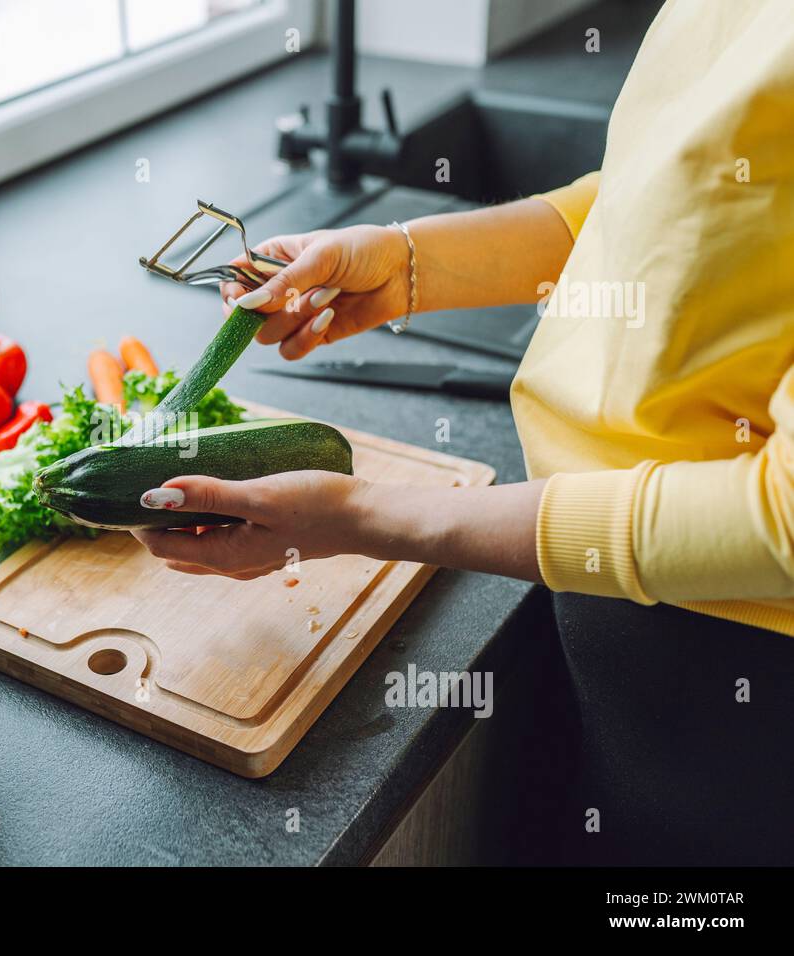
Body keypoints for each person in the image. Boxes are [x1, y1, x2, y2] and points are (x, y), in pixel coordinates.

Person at [131, 0, 794, 865]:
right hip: (625, 614)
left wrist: (360, 518)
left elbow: (779, 525)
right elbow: (664, 201)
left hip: (739, 676)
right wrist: (403, 263)